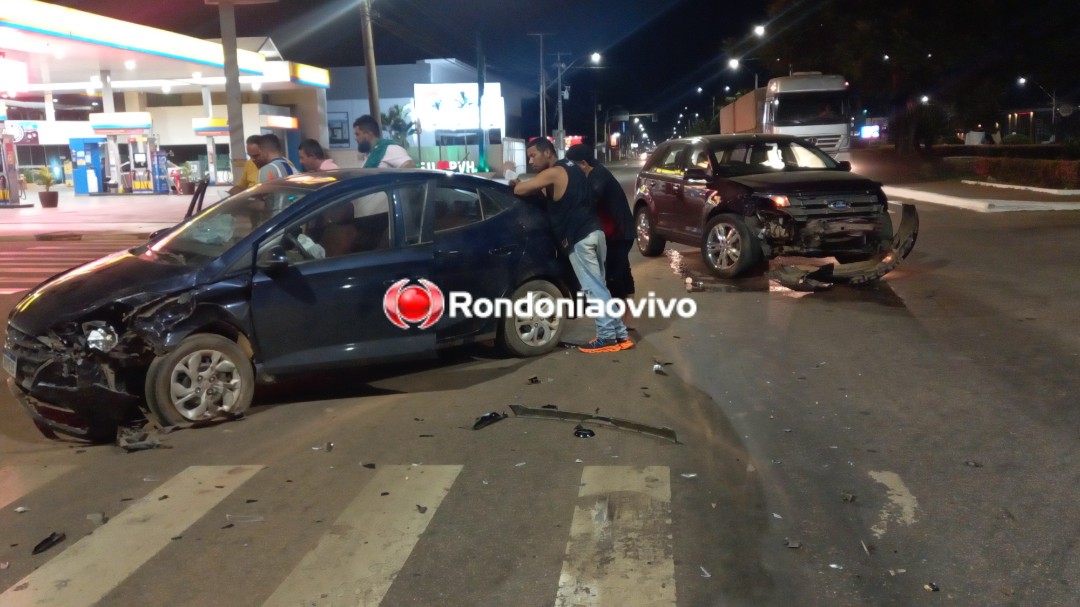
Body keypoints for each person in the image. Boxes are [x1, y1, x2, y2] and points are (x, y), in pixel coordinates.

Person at [511, 137, 631, 353]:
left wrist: (514, 179)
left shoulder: (553, 172)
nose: (530, 161)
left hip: (579, 238)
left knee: (593, 289)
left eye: (533, 155)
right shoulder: (574, 169)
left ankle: (606, 337)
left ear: (548, 153)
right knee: (600, 286)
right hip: (596, 233)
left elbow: (520, 191)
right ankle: (620, 333)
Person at [564, 144, 636, 329]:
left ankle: (619, 320)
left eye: (573, 166)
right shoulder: (593, 174)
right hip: (616, 233)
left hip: (619, 234)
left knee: (614, 276)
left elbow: (588, 201)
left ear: (583, 163)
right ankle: (626, 317)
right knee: (622, 273)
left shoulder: (598, 176)